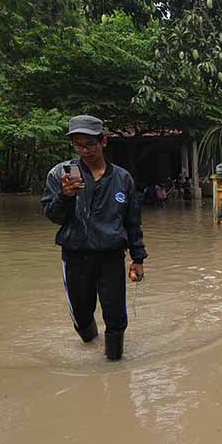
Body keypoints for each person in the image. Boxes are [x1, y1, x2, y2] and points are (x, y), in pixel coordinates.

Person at [41, 115, 146, 361]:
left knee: (116, 316)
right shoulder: (60, 175)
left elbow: (132, 222)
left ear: (104, 142)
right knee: (81, 315)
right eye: (78, 145)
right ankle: (90, 344)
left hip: (111, 257)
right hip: (76, 256)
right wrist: (66, 196)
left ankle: (114, 364)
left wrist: (138, 258)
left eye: (90, 144)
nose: (84, 150)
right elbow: (53, 216)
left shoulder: (123, 179)